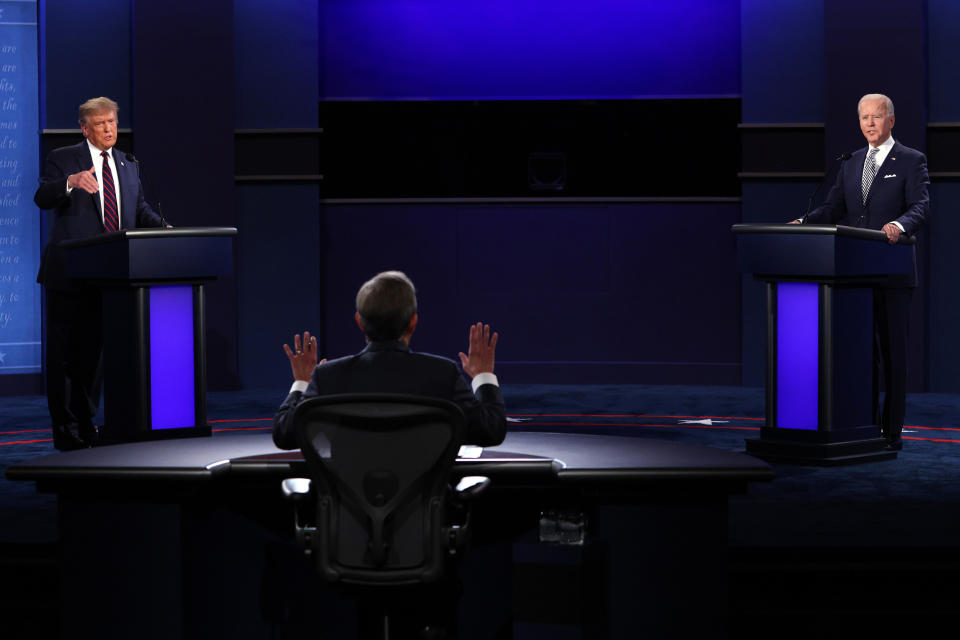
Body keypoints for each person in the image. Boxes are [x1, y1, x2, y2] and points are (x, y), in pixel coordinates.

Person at [795, 93, 929, 450]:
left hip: (893, 273)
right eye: (864, 117)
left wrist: (899, 225)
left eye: (877, 117)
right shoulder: (851, 162)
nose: (870, 123)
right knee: (862, 355)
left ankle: (891, 432)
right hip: (854, 275)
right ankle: (865, 425)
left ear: (891, 121)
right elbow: (834, 206)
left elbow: (921, 206)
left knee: (893, 356)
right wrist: (805, 221)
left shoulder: (912, 160)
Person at [34, 96, 166, 450]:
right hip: (69, 274)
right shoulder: (63, 159)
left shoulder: (127, 163)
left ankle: (86, 422)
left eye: (112, 122)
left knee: (93, 356)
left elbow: (137, 210)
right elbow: (42, 197)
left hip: (110, 275)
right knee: (65, 356)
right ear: (85, 127)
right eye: (101, 123)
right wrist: (70, 183)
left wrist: (166, 230)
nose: (109, 129)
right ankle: (64, 427)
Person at [272, 270, 506, 450]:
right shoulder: (442, 373)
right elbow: (491, 431)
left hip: (349, 511)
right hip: (425, 511)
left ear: (359, 322)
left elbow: (285, 435)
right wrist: (483, 376)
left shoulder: (328, 377)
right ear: (413, 322)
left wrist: (302, 381)